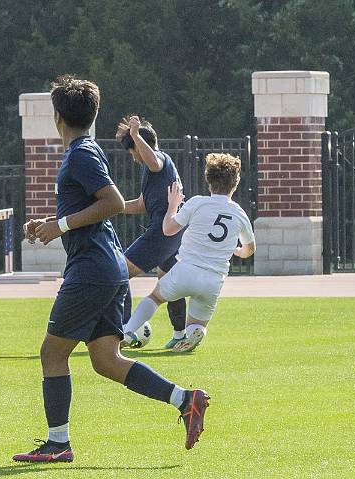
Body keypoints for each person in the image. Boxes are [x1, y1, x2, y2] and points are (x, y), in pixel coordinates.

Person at [14, 75, 209, 463]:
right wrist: (50, 224)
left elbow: (114, 202)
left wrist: (62, 226)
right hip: (108, 266)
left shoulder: (80, 154)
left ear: (57, 117)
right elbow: (92, 207)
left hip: (93, 269)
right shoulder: (86, 150)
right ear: (95, 115)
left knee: (52, 354)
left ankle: (58, 444)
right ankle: (186, 400)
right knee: (105, 360)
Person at [123, 153, 256, 353]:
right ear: (235, 183)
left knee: (154, 298)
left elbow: (168, 229)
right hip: (213, 280)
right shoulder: (240, 213)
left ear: (208, 179)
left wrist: (173, 205)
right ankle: (197, 332)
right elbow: (250, 249)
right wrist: (238, 251)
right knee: (196, 324)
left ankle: (128, 331)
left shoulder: (197, 203)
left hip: (186, 271)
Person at [115, 115, 187, 349]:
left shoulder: (159, 161)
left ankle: (126, 330)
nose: (134, 158)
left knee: (119, 272)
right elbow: (141, 204)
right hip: (172, 232)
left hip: (162, 232)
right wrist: (109, 207)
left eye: (132, 151)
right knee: (169, 284)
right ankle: (180, 335)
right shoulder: (153, 171)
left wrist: (135, 136)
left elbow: (154, 160)